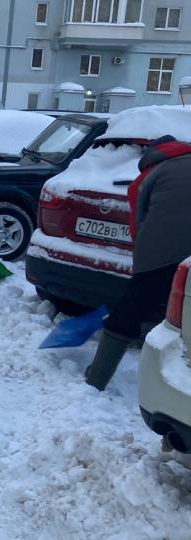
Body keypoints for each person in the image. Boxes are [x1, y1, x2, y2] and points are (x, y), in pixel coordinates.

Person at [85, 135, 191, 391]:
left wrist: (141, 266)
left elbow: (137, 228)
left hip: (161, 249)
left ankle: (96, 378)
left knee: (129, 310)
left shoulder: (146, 177)